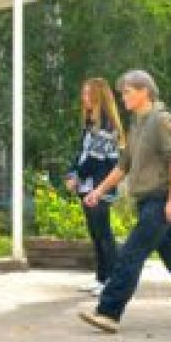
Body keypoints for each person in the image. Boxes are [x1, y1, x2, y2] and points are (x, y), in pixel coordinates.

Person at [78, 69, 171, 333]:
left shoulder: (160, 121)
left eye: (127, 91)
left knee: (130, 255)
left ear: (144, 91)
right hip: (148, 201)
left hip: (160, 201)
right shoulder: (137, 124)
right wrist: (98, 191)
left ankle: (108, 312)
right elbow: (123, 166)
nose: (122, 97)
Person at [64, 78, 124, 296]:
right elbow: (80, 154)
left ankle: (111, 281)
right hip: (86, 186)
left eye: (88, 93)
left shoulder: (108, 125)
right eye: (83, 93)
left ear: (99, 96)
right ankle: (100, 278)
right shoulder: (90, 123)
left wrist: (76, 177)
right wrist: (71, 173)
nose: (84, 97)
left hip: (100, 188)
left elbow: (96, 160)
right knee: (95, 234)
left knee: (104, 234)